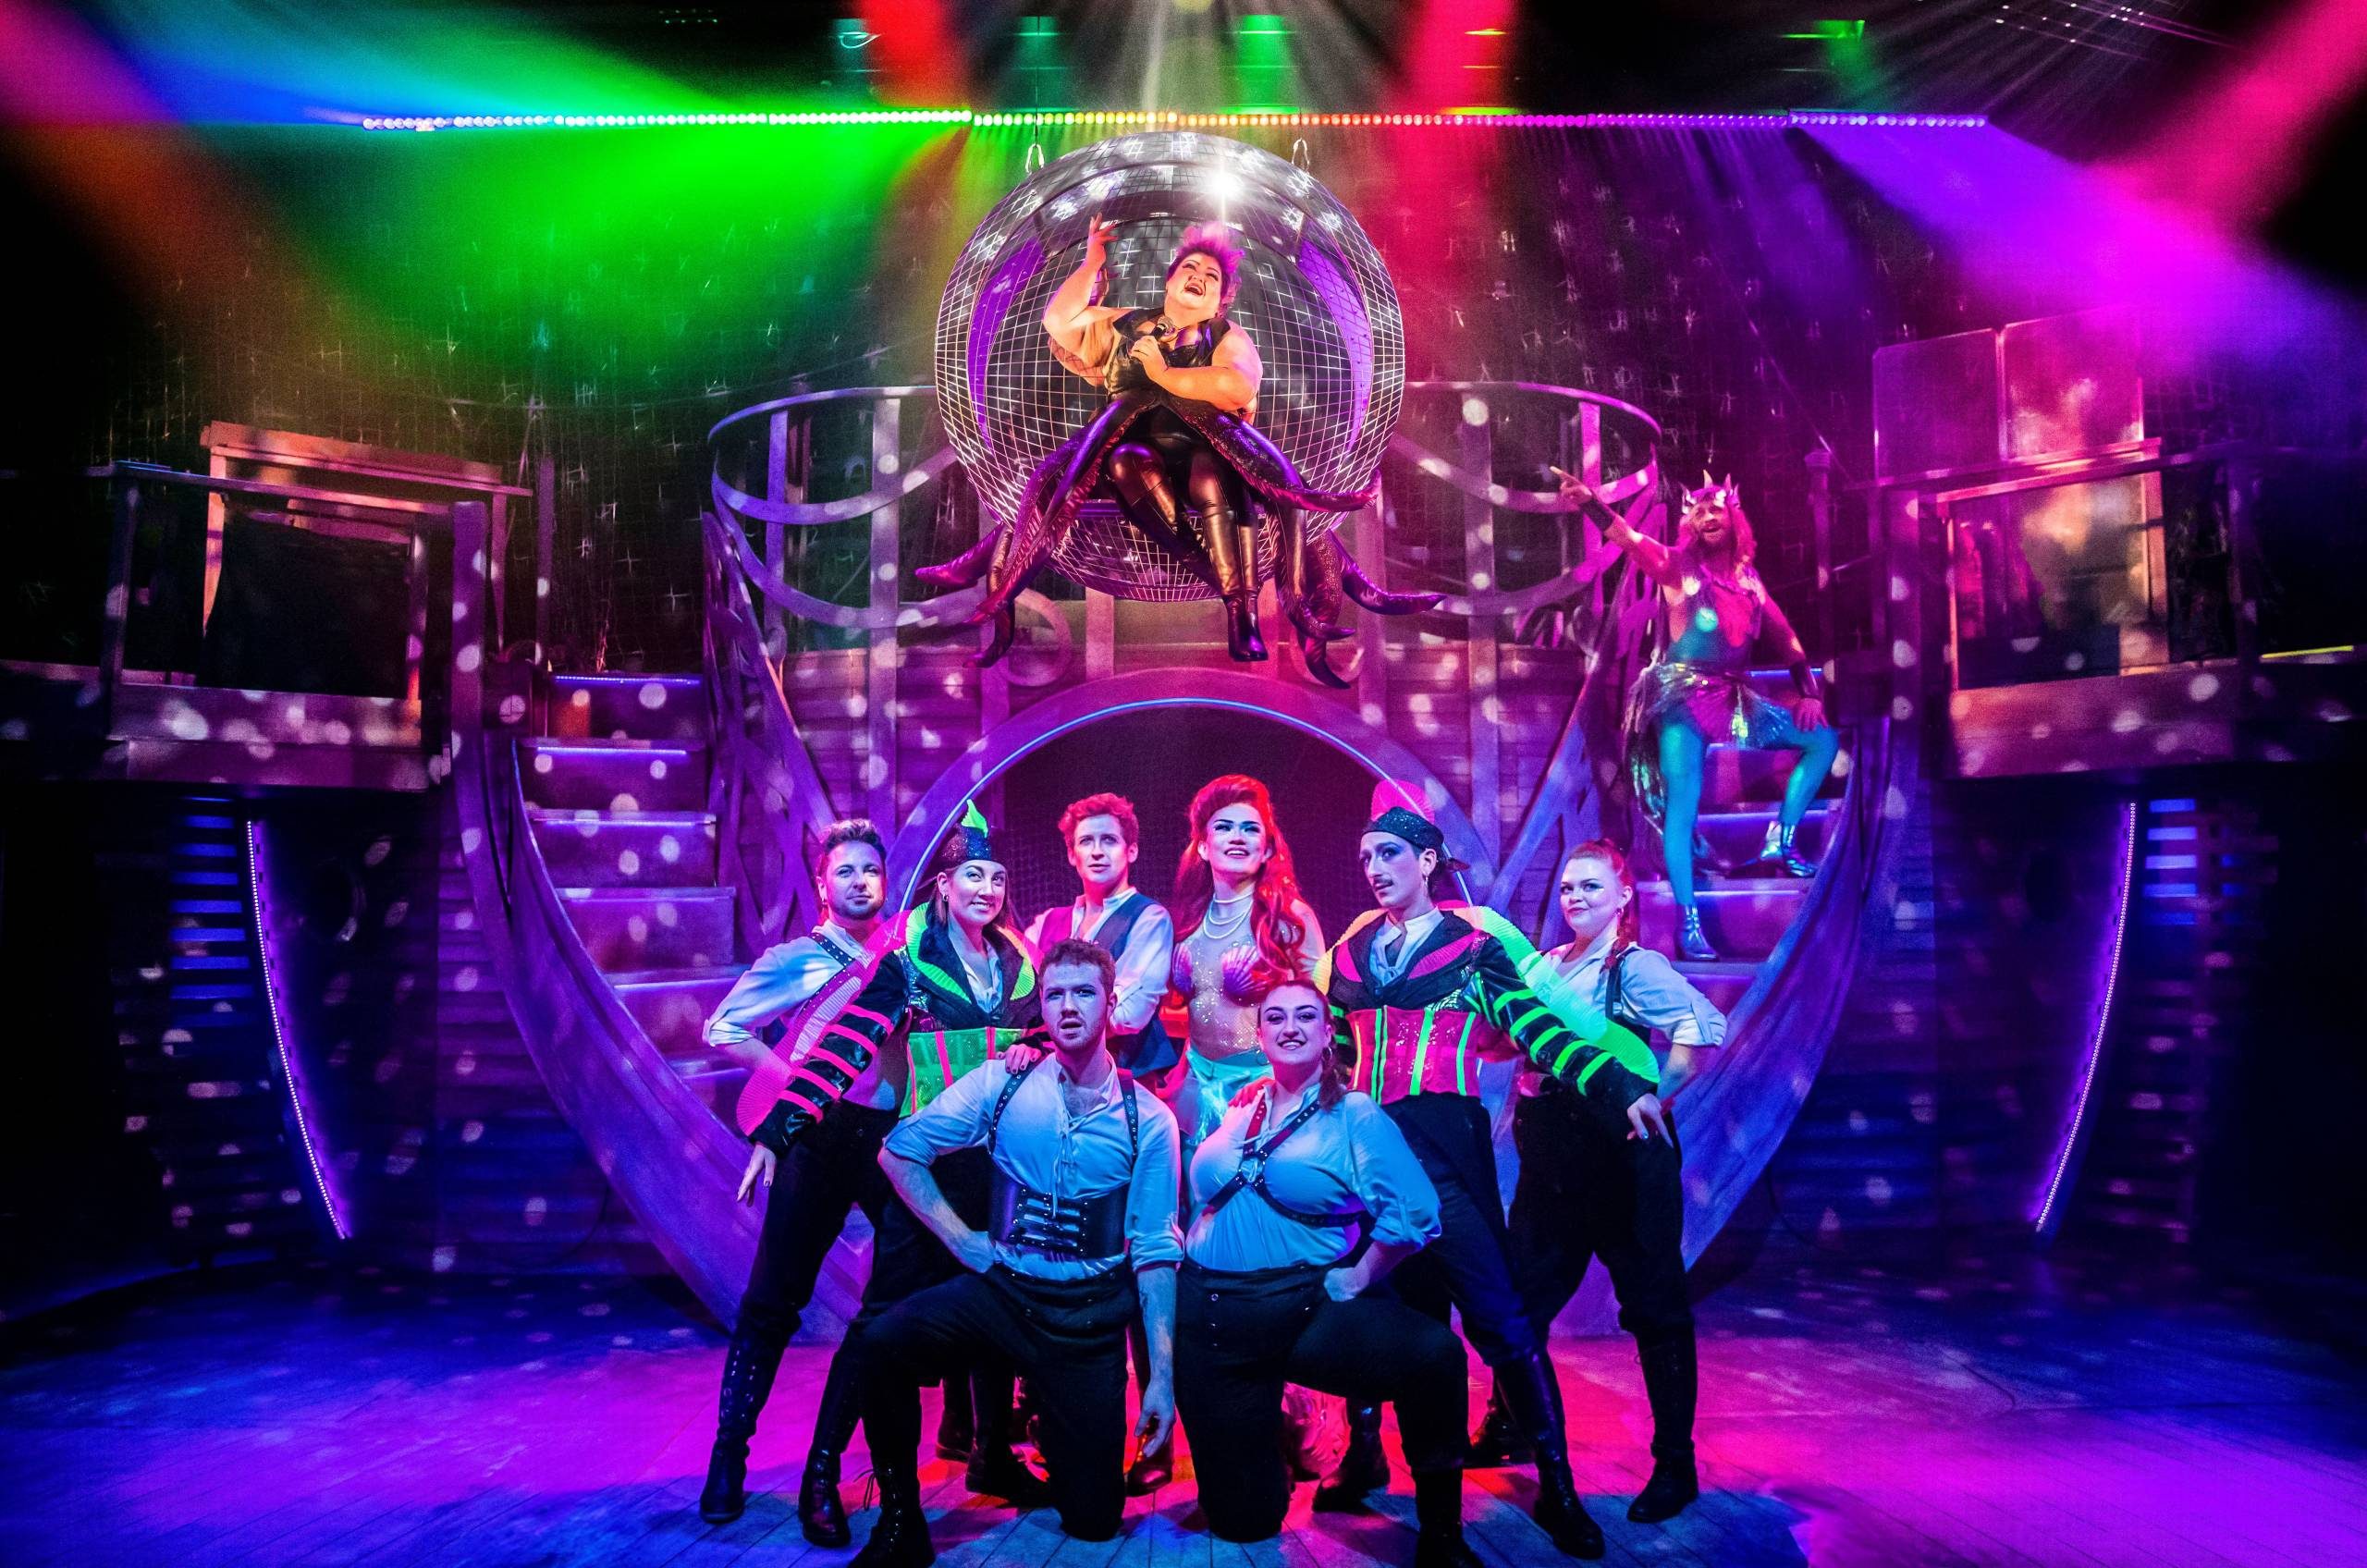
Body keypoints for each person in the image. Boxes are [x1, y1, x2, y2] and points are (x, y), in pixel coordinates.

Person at [1315, 781, 1668, 1561]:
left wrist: (1621, 1087)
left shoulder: (1472, 949)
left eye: (1390, 854)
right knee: (1396, 1326)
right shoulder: (1346, 957)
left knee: (1501, 1319)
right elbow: (1332, 1063)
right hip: (1370, 1159)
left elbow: (1542, 1032)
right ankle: (1409, 1493)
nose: (1375, 868)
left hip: (1444, 1153)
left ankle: (1558, 1488)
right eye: (1367, 857)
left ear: (1428, 861)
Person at [917, 214, 1433, 677]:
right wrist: (1092, 263)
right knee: (1114, 465)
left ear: (1220, 298)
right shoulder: (1126, 323)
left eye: (1211, 277)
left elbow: (1236, 386)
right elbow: (1060, 322)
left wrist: (1163, 373)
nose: (1199, 277)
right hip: (1121, 450)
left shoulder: (1226, 336)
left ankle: (1246, 612)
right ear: (1168, 280)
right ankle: (1200, 569)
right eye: (1190, 268)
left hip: (1205, 450)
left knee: (1215, 474)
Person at [735, 802, 1047, 1542]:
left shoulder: (1017, 959)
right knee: (881, 1325)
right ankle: (822, 1471)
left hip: (1000, 1168)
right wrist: (778, 1130)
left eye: (997, 877)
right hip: (925, 1168)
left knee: (994, 1303)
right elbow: (840, 1053)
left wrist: (1033, 1044)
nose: (987, 889)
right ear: (943, 884)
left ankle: (992, 1454)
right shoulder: (907, 962)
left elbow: (1039, 1030)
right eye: (972, 875)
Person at [851, 938, 1184, 1567]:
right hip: (1005, 1295)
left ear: (1111, 1003)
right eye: (1055, 994)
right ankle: (899, 1520)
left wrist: (1162, 1380)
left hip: (1086, 1319)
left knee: (1093, 1521)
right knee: (881, 1343)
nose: (1068, 1007)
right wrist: (960, 1239)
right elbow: (899, 1151)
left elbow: (1156, 1254)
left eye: (1084, 992)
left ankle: (1054, 1436)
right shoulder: (1002, 1084)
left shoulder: (1149, 1120)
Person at [1174, 971, 1481, 1567]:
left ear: (1326, 1034)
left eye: (1305, 1016)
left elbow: (1415, 1211)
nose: (1290, 1027)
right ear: (1260, 1034)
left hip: (1296, 1310)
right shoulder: (1245, 1107)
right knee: (1244, 1522)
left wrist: (1360, 1276)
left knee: (1435, 1356)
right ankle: (1268, 1466)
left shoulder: (1352, 1114)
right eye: (1276, 1017)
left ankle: (1443, 1532)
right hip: (1211, 1321)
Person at [1469, 840, 1729, 1525]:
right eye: (1567, 888)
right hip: (1551, 1155)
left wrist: (1655, 1098)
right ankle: (1509, 1425)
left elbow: (1703, 1025)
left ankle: (1675, 1465)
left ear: (1622, 897)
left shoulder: (1631, 966)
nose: (1575, 898)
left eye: (1590, 886)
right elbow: (1500, 1045)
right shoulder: (1544, 966)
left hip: (1622, 1154)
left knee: (1654, 1306)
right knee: (1518, 1303)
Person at [695, 820, 890, 1529]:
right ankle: (729, 1455)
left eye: (871, 869)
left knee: (891, 1302)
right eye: (846, 871)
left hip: (887, 1139)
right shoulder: (798, 958)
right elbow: (721, 1028)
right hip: (816, 1135)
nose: (861, 881)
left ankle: (825, 1467)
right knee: (773, 1301)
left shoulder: (902, 955)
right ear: (822, 885)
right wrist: (796, 1083)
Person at [1558, 469, 1839, 960]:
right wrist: (1589, 502)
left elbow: (1788, 639)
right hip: (1681, 698)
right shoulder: (1677, 567)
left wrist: (1808, 693)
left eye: (1717, 510)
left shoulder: (1748, 581)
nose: (1708, 516)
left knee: (1822, 741)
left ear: (1734, 520)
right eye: (1700, 511)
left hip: (1732, 697)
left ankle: (1781, 839)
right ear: (1690, 523)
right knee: (1682, 805)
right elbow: (1628, 537)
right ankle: (1689, 921)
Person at [1166, 776, 1326, 1162]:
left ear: (1267, 847)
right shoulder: (1188, 921)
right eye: (1224, 827)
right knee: (1196, 1190)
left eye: (1250, 828)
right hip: (1196, 1086)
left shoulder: (1289, 918)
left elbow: (1322, 1010)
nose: (1237, 837)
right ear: (1203, 846)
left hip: (1263, 1086)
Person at [1024, 792, 1178, 1079]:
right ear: (1072, 855)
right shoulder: (1047, 922)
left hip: (1124, 1079)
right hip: (1050, 1078)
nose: (1097, 851)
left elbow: (1129, 1014)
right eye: (1086, 841)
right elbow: (1023, 1005)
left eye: (1109, 840)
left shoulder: (1148, 917)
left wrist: (1053, 1016)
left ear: (1131, 851)